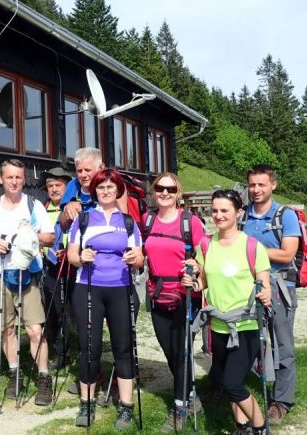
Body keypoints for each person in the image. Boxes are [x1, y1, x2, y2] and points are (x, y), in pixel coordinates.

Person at [0, 159, 55, 405]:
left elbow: (50, 237)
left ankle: (43, 377)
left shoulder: (33, 205)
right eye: (10, 177)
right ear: (1, 179)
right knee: (7, 328)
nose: (14, 181)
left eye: (18, 177)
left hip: (27, 273)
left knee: (35, 329)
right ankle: (14, 373)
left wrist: (29, 237)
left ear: (24, 179)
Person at [67, 168, 144, 430]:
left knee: (123, 347)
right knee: (90, 347)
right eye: (101, 187)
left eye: (111, 187)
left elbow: (140, 258)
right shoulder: (84, 219)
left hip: (121, 288)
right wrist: (81, 258)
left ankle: (126, 406)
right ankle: (86, 403)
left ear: (118, 190)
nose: (106, 191)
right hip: (88, 288)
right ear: (95, 191)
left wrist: (134, 259)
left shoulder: (128, 221)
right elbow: (72, 255)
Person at [189, 189, 272, 435]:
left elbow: (264, 284)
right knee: (228, 380)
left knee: (232, 382)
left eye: (224, 210)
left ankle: (261, 428)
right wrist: (192, 284)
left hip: (245, 326)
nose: (218, 215)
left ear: (239, 212)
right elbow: (203, 282)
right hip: (218, 326)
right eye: (214, 210)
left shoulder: (252, 247)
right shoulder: (206, 244)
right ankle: (242, 426)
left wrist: (265, 294)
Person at [141, 172, 206, 432]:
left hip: (185, 295)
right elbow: (141, 251)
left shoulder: (190, 222)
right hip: (157, 294)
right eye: (160, 188)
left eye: (170, 189)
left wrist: (197, 267)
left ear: (178, 192)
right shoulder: (147, 220)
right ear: (153, 191)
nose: (165, 193)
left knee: (181, 353)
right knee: (170, 352)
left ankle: (179, 408)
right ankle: (191, 395)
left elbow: (207, 256)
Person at [242, 164, 301, 425]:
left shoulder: (285, 215)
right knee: (246, 338)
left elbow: (287, 254)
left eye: (261, 184)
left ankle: (281, 401)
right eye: (252, 185)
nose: (256, 190)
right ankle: (237, 387)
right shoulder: (242, 215)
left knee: (282, 344)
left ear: (273, 185)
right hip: (248, 285)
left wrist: (251, 251)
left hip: (279, 286)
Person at [37, 166, 74, 370]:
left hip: (73, 264)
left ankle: (74, 351)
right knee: (54, 311)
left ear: (67, 187)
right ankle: (60, 353)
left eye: (58, 185)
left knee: (73, 310)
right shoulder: (42, 209)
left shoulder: (72, 208)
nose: (54, 189)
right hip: (50, 266)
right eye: (50, 186)